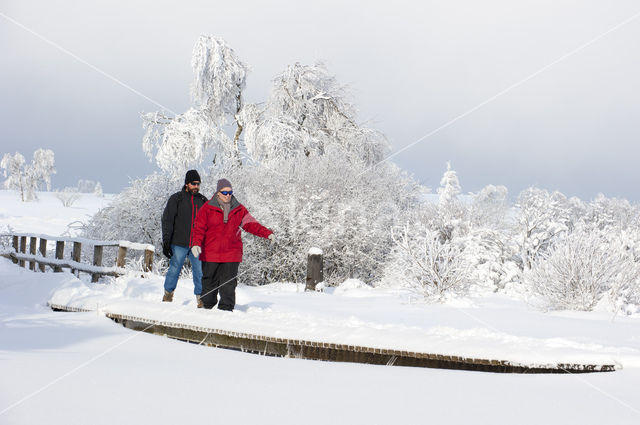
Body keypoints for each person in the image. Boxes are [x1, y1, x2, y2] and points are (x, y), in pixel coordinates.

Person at [191, 178, 274, 311]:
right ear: (218, 193)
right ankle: (206, 310)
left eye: (230, 192)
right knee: (209, 285)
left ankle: (226, 311)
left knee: (228, 285)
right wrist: (196, 244)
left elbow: (251, 224)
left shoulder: (239, 209)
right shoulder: (207, 208)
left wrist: (267, 233)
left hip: (231, 254)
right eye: (225, 193)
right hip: (210, 253)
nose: (228, 195)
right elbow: (199, 228)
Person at [161, 169, 208, 307]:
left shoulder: (203, 201)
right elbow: (167, 220)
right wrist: (166, 242)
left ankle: (201, 299)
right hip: (179, 243)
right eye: (194, 183)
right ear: (187, 184)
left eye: (198, 184)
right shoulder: (177, 199)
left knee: (199, 271)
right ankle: (168, 295)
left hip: (197, 245)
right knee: (174, 269)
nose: (196, 187)